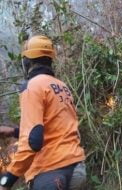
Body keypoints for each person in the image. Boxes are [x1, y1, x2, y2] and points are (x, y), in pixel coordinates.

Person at [0, 35, 86, 190]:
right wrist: (14, 131)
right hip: (76, 169)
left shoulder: (32, 87)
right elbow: (52, 131)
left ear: (27, 62)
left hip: (51, 170)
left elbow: (33, 141)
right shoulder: (62, 87)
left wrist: (7, 180)